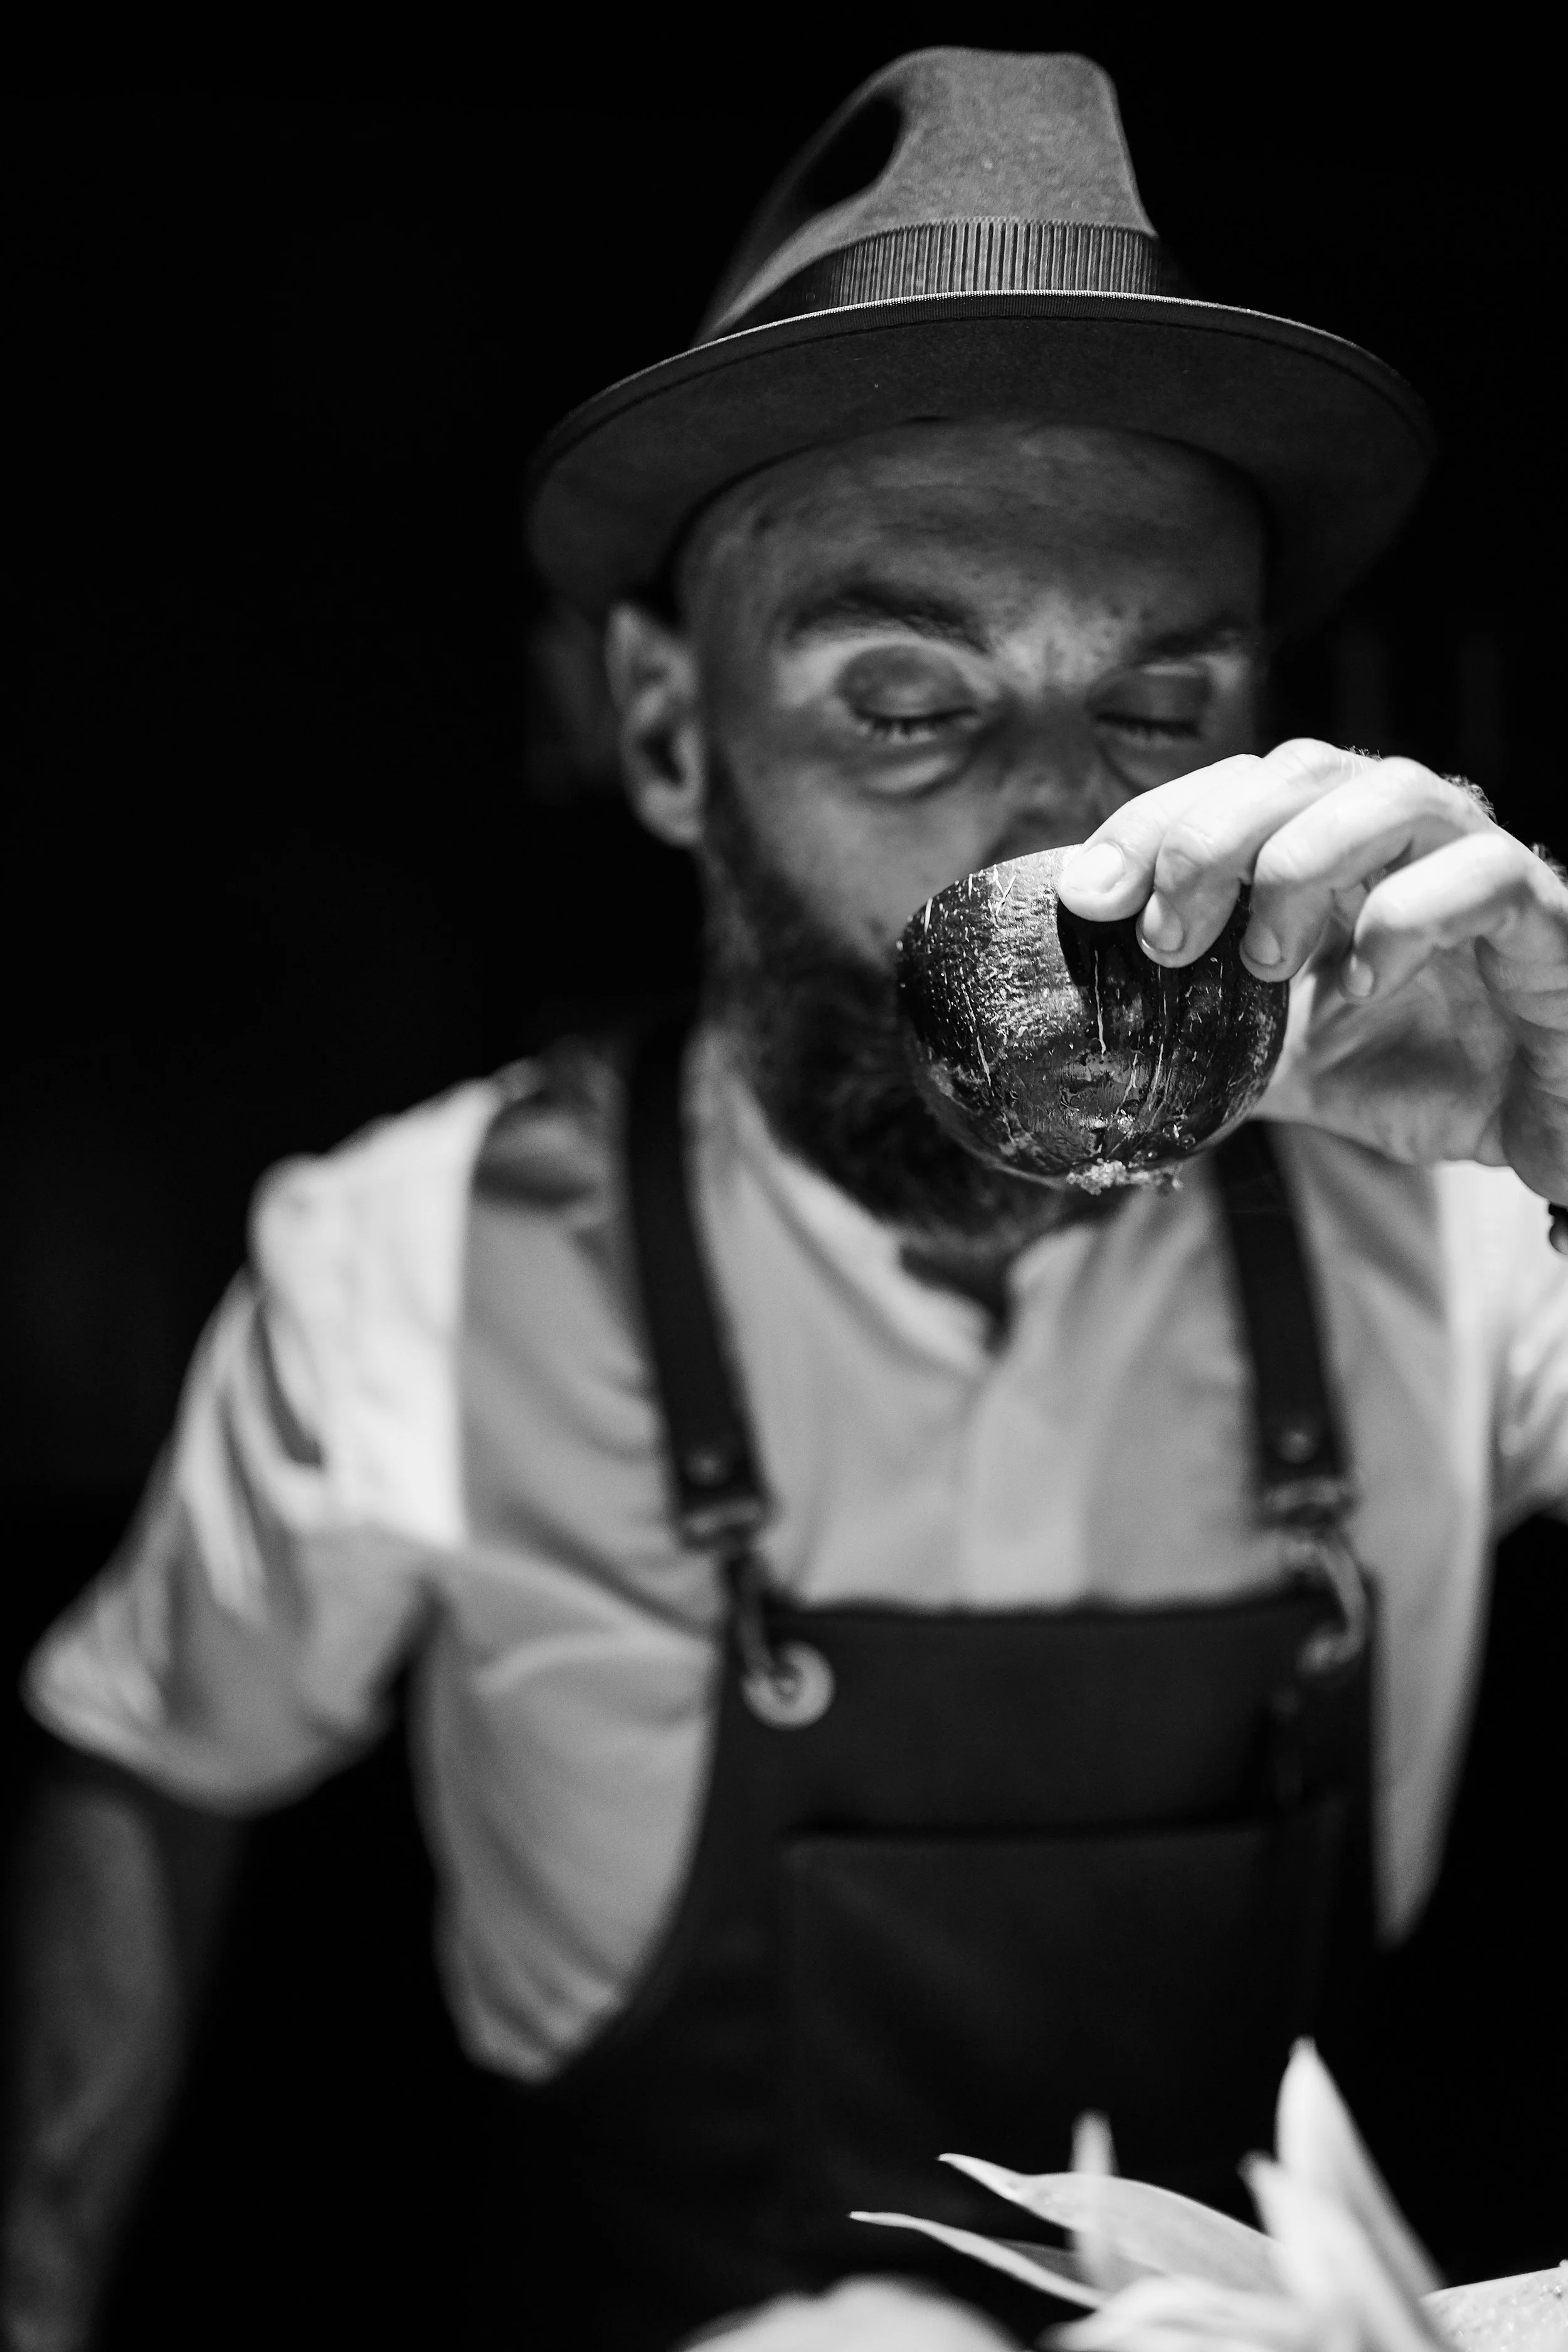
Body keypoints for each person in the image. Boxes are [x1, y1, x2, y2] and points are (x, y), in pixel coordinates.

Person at [6, 47, 1567, 2352]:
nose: (1064, 845)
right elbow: (149, 1760)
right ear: (664, 730)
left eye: (1162, 705)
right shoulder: (400, 1272)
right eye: (905, 700)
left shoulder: (1455, 1240)